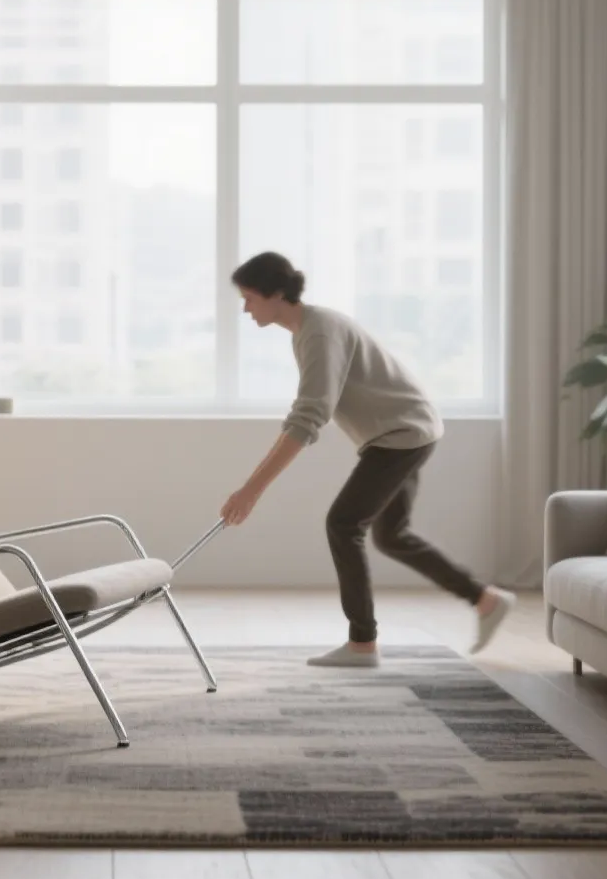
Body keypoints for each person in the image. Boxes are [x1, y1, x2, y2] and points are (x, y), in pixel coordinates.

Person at [219, 251, 514, 667]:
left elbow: (307, 418)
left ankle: (362, 644)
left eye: (249, 297)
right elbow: (311, 413)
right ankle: (485, 600)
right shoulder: (309, 330)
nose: (245, 308)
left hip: (401, 435)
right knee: (390, 535)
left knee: (343, 525)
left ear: (277, 294)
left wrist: (251, 491)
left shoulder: (319, 332)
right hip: (407, 431)